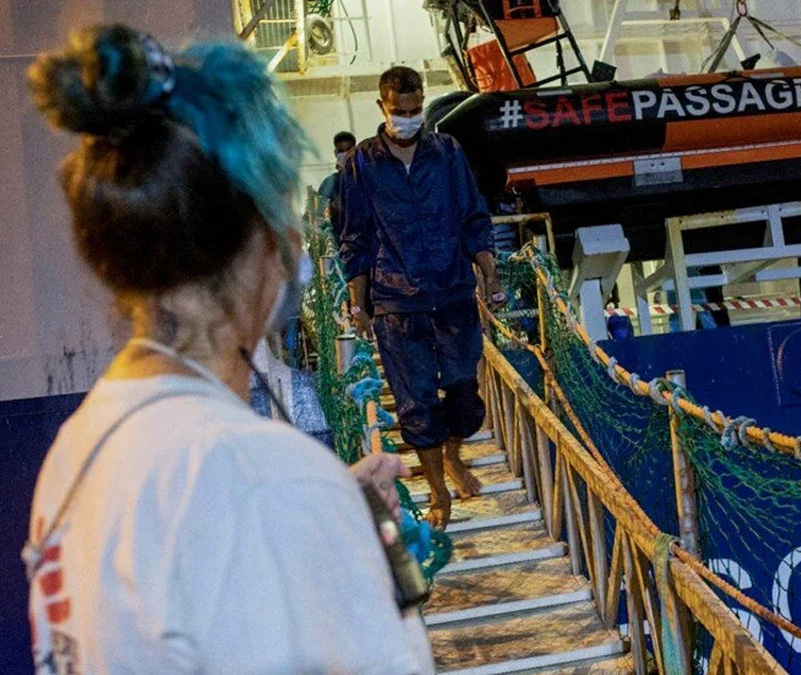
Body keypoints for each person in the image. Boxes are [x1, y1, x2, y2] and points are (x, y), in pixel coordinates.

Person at [24, 25, 434, 674]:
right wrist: (323, 520)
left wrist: (322, 507)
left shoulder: (76, 452)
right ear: (265, 242)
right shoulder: (260, 481)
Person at [336, 66, 503, 529]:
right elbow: (354, 238)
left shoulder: (446, 152)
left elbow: (473, 218)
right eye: (399, 111)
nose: (408, 118)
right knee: (416, 404)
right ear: (382, 107)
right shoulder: (361, 164)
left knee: (464, 393)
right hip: (395, 302)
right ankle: (438, 492)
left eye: (415, 110)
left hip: (452, 292)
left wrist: (490, 276)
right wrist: (358, 303)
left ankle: (452, 454)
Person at [318, 130, 356, 222]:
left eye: (349, 150)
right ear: (336, 153)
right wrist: (332, 208)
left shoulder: (366, 178)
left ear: (356, 150)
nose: (345, 154)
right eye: (341, 151)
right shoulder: (329, 183)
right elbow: (319, 215)